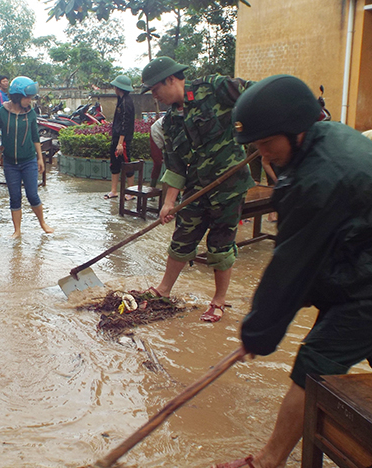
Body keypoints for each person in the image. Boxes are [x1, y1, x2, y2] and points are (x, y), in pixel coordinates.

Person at [213, 74, 372, 468]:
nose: (262, 154)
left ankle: (268, 461)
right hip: (357, 264)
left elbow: (290, 266)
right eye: (256, 145)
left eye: (267, 143)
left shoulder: (319, 179)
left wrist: (259, 331)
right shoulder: (326, 137)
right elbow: (318, 252)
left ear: (297, 131)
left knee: (315, 364)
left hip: (365, 283)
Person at [140, 57, 255, 322]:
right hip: (195, 189)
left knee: (220, 244)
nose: (154, 96)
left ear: (170, 79)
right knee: (181, 239)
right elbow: (176, 166)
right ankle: (163, 290)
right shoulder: (169, 123)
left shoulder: (214, 88)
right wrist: (168, 202)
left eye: (155, 89)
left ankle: (219, 300)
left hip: (229, 186)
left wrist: (264, 130)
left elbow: (256, 95)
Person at [0, 76, 54, 239]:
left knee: (32, 195)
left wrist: (40, 158)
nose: (30, 101)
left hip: (29, 161)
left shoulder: (30, 114)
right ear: (17, 97)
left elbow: (35, 137)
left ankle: (43, 223)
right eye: (27, 97)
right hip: (10, 163)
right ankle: (17, 231)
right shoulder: (1, 113)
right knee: (15, 197)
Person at [104, 75, 136, 200]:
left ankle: (131, 191)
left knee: (127, 163)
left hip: (123, 140)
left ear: (119, 88)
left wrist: (120, 143)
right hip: (116, 138)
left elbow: (125, 123)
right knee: (115, 163)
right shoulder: (120, 100)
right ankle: (114, 190)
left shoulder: (127, 102)